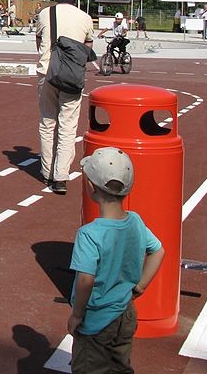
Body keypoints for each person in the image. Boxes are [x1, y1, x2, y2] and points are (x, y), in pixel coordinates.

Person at [69, 147, 165, 372]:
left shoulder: (89, 234)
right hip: (125, 313)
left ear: (91, 187)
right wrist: (140, 286)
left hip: (95, 319)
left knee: (90, 367)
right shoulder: (135, 221)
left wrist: (77, 314)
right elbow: (158, 251)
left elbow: (85, 280)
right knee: (120, 365)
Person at [35, 0, 94, 194]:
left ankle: (46, 171)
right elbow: (88, 47)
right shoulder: (86, 18)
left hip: (47, 72)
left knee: (47, 122)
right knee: (68, 126)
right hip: (72, 76)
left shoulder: (45, 14)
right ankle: (61, 176)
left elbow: (39, 40)